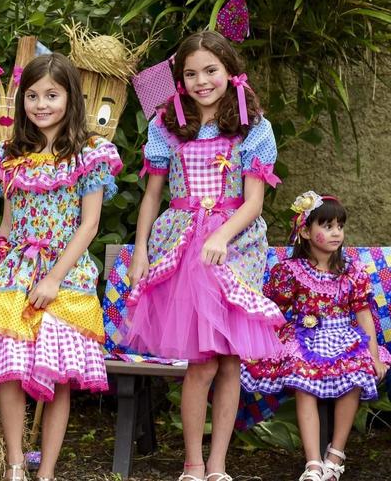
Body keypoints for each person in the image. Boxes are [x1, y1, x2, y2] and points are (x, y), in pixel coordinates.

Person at [0, 53, 122, 481]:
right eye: (32, 96)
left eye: (52, 95)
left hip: (65, 272)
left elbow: (90, 224)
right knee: (10, 366)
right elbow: (8, 221)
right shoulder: (11, 155)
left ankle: (45, 471)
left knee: (58, 372)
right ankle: (14, 465)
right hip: (14, 269)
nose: (41, 104)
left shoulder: (89, 154)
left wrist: (54, 278)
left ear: (71, 99)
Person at [123, 31, 285, 481]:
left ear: (231, 72)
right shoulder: (166, 126)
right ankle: (193, 463)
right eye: (191, 73)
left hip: (236, 245)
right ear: (180, 81)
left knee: (230, 358)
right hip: (182, 244)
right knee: (203, 359)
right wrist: (140, 250)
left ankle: (218, 464)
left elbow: (253, 201)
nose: (201, 80)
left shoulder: (254, 126)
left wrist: (223, 235)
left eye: (210, 70)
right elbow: (152, 196)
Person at [241, 192, 391, 481]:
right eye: (327, 226)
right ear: (306, 232)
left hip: (344, 337)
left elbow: (362, 315)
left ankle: (335, 454)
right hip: (303, 338)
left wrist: (373, 355)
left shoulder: (352, 271)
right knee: (302, 379)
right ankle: (313, 462)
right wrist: (260, 345)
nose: (336, 232)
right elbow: (276, 312)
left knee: (358, 371)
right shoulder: (290, 271)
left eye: (339, 226)